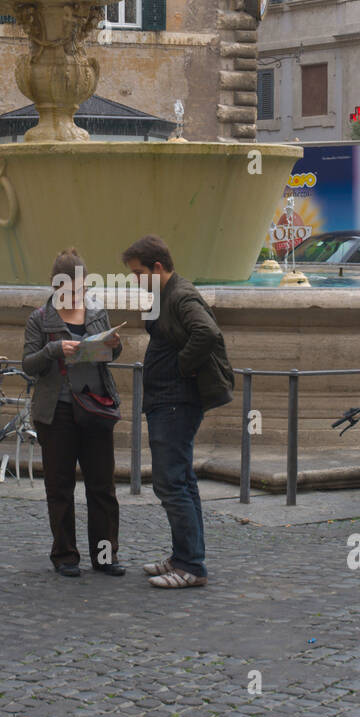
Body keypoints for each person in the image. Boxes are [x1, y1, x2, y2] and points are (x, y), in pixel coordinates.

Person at [122, 234, 233, 589]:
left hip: (175, 402)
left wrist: (180, 368)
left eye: (139, 273)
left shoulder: (181, 295)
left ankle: (191, 565)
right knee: (181, 480)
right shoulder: (163, 296)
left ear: (158, 267)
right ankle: (185, 556)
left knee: (171, 482)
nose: (135, 280)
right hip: (166, 401)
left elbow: (208, 333)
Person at [22, 248, 124, 578]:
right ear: (56, 287)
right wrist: (54, 349)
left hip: (95, 407)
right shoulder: (40, 319)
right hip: (57, 413)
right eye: (68, 290)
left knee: (102, 487)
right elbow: (28, 365)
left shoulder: (96, 312)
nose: (76, 296)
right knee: (60, 487)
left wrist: (114, 345)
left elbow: (111, 356)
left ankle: (105, 556)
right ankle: (65, 555)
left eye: (81, 289)